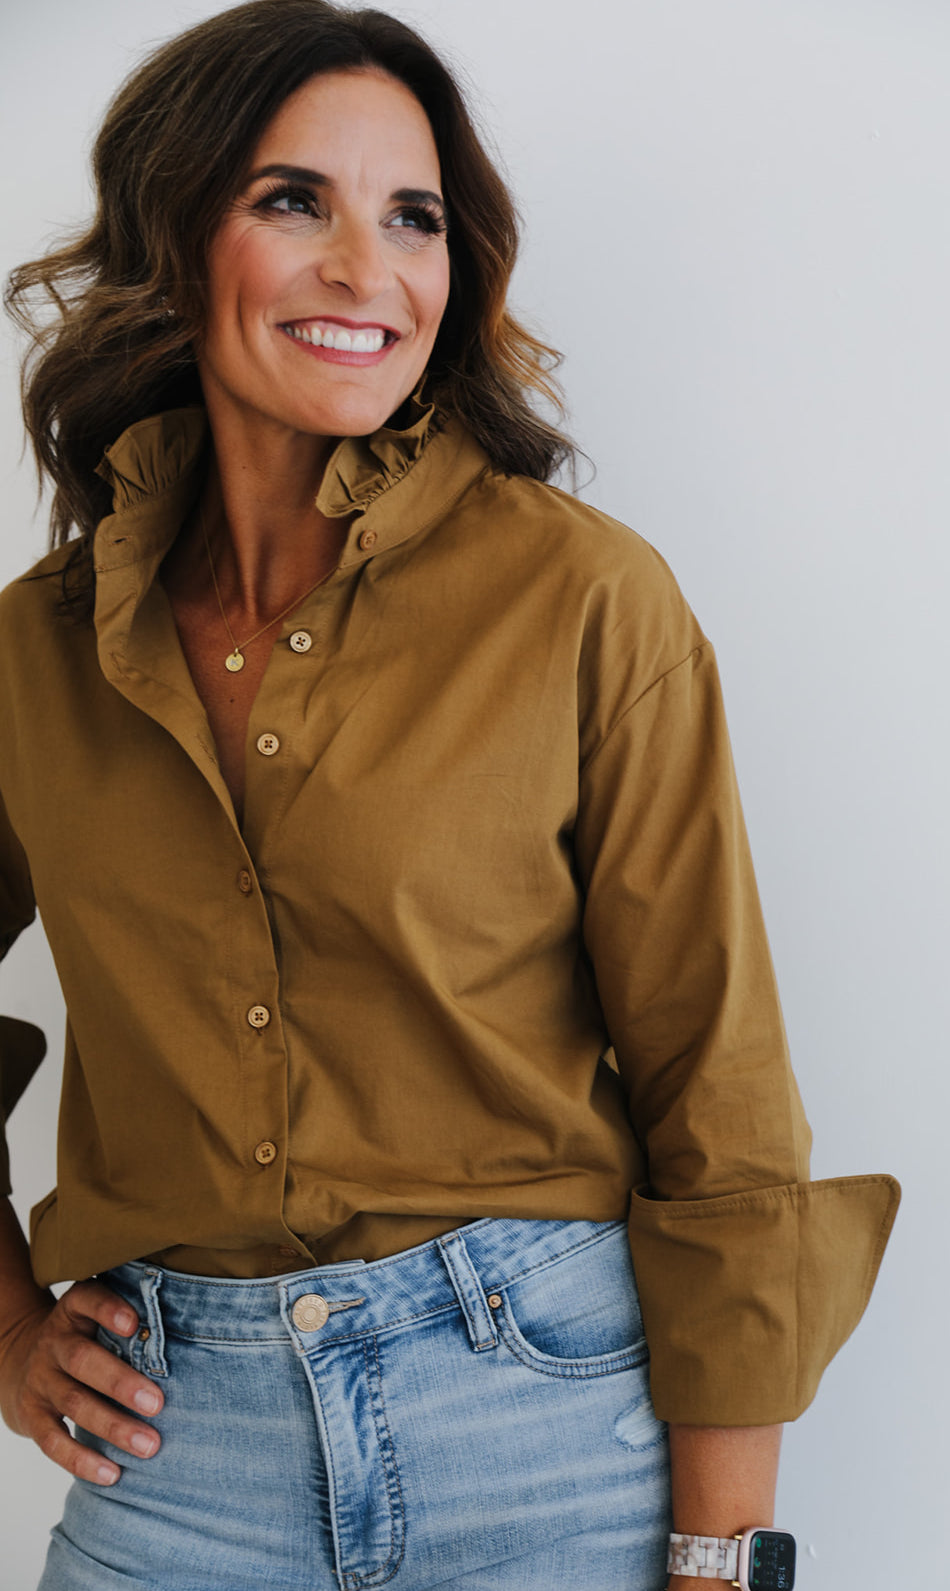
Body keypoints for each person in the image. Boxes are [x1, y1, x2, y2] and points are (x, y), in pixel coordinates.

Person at [0, 4, 899, 1587]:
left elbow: (719, 1096)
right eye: (295, 202)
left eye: (411, 217)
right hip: (173, 1452)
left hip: (545, 1438)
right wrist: (8, 1334)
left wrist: (716, 1555)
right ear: (171, 229)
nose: (369, 270)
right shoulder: (34, 648)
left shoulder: (580, 601)